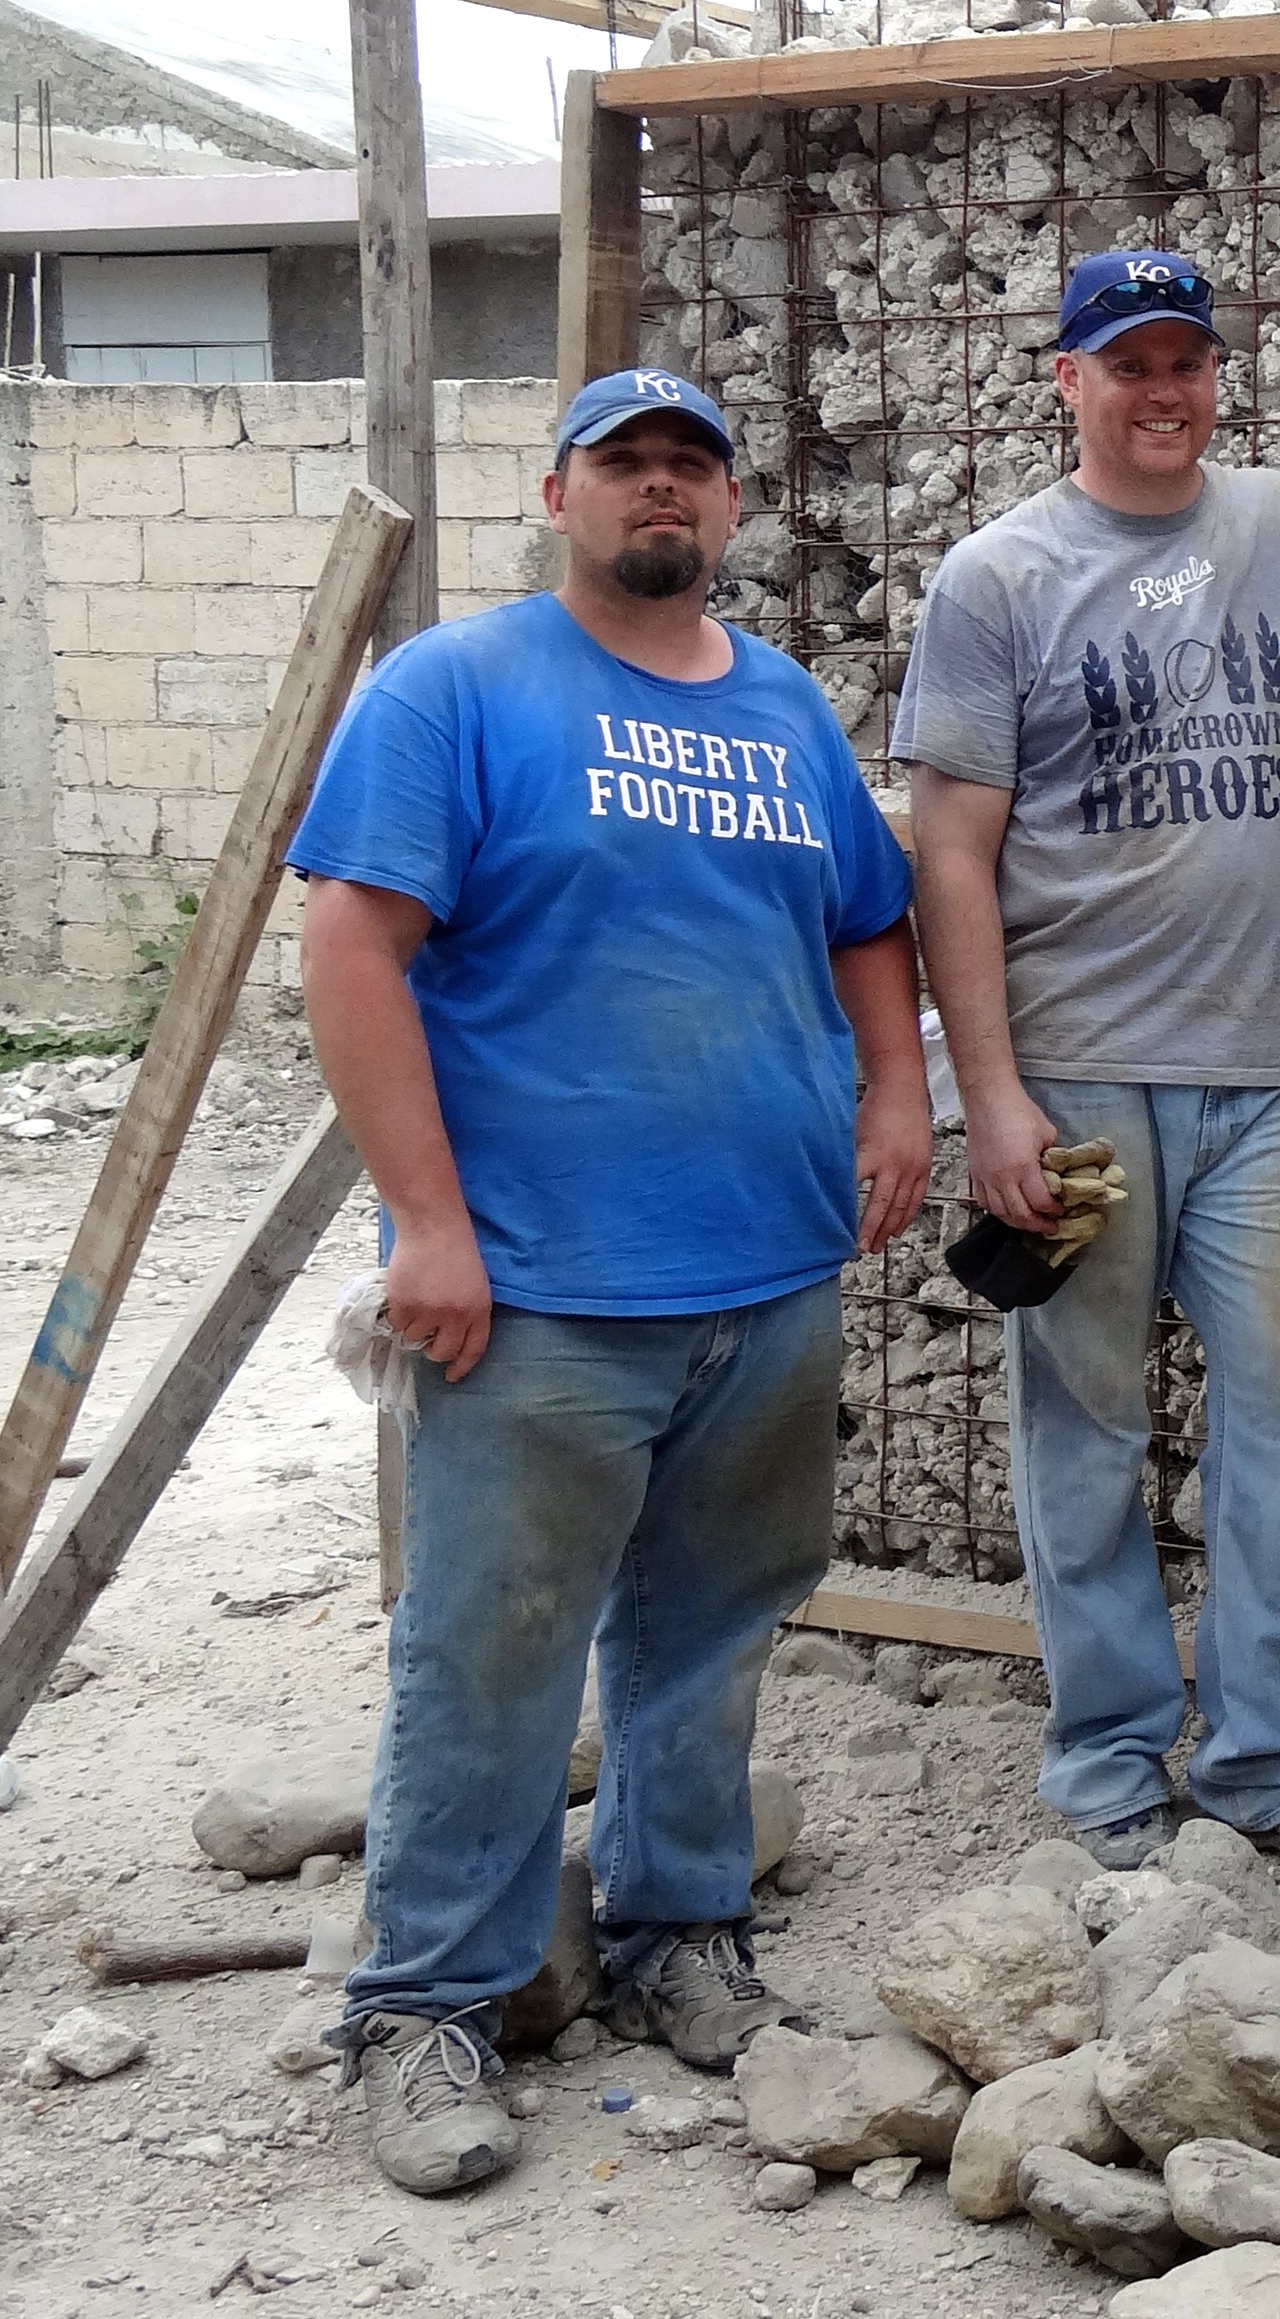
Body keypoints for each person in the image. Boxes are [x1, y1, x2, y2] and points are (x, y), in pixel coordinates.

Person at [293, 368, 929, 2196]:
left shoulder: (786, 707)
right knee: (493, 1645)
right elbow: (349, 944)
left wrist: (897, 1095)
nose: (662, 489)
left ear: (730, 508)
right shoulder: (455, 690)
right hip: (542, 1287)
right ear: (556, 494)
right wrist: (426, 1221)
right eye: (624, 463)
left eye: (690, 468)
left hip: (767, 1267)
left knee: (714, 1627)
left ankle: (678, 1931)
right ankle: (428, 2002)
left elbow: (868, 922)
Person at [897, 250, 1280, 1882]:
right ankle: (1108, 1751)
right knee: (1083, 1422)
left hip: (1270, 1067)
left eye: (1185, 362)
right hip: (1077, 1073)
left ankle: (1269, 1754)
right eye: (1128, 363)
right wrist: (992, 1098)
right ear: (1066, 379)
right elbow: (951, 855)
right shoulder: (997, 577)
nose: (1163, 391)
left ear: (1216, 377)